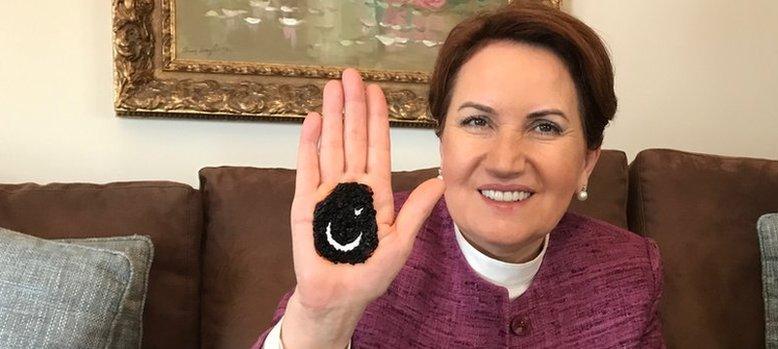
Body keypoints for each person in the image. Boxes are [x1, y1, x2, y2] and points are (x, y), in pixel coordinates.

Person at [253, 2, 665, 348]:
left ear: (587, 163)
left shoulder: (629, 271)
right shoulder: (364, 238)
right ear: (442, 142)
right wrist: (321, 320)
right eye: (477, 121)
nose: (505, 162)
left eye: (545, 127)